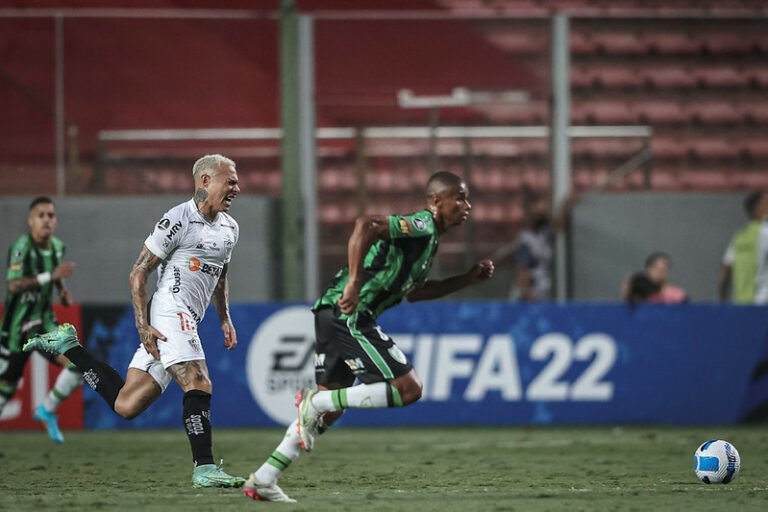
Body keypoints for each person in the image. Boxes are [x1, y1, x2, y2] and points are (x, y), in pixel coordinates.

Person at [242, 171, 494, 503]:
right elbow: (367, 225)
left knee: (331, 410)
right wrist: (354, 283)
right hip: (350, 314)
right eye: (459, 197)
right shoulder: (423, 224)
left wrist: (466, 279)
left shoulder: (429, 242)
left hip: (332, 314)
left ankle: (264, 478)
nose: (468, 205)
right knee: (408, 389)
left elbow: (416, 294)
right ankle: (313, 402)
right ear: (436, 201)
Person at [24, 154, 245, 488]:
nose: (236, 188)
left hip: (188, 316)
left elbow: (221, 273)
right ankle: (204, 467)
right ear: (205, 181)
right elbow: (139, 271)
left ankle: (70, 347)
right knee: (198, 380)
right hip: (170, 310)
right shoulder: (177, 219)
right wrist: (143, 325)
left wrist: (224, 317)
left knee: (127, 404)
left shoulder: (230, 228)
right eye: (230, 181)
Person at [0, 196, 80, 443]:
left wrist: (62, 290)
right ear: (31, 220)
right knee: (7, 385)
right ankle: (46, 410)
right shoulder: (21, 248)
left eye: (51, 215)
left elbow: (55, 274)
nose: (47, 220)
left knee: (77, 365)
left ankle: (47, 409)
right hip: (15, 328)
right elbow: (13, 286)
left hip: (42, 323)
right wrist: (51, 277)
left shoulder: (56, 246)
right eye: (41, 215)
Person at [511, 189, 578, 301]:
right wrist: (531, 298)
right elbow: (522, 274)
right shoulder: (525, 241)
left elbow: (558, 225)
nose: (541, 217)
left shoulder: (543, 234)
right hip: (529, 298)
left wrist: (567, 207)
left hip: (543, 294)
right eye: (537, 214)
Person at [719, 190, 768, 304]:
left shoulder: (739, 237)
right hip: (763, 304)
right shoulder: (765, 232)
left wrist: (722, 300)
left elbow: (725, 271)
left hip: (741, 303)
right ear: (760, 208)